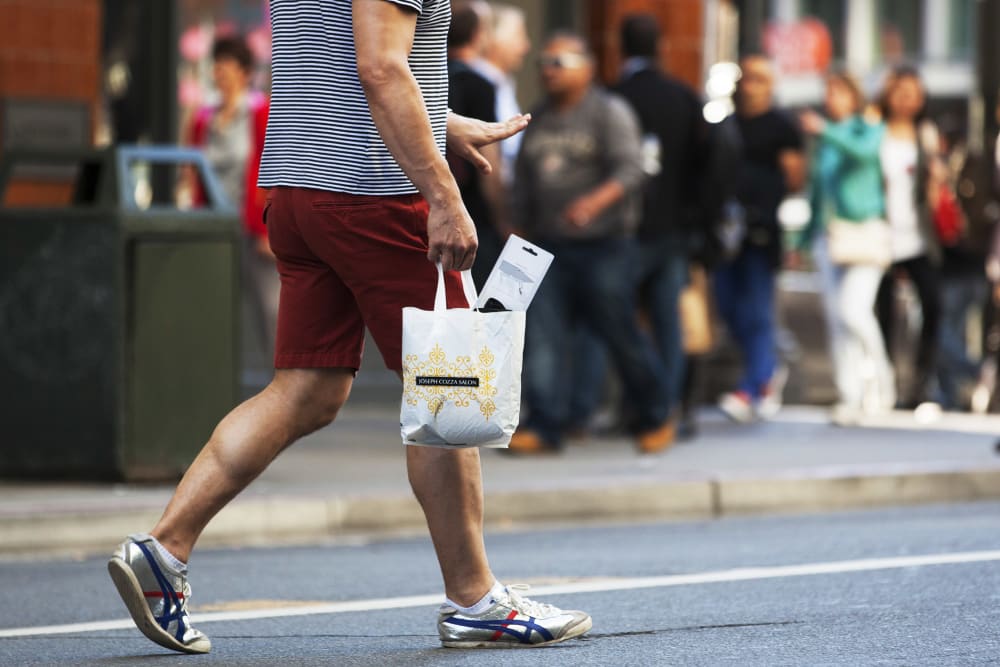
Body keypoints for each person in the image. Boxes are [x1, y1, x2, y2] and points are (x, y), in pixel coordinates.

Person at [107, 0, 591, 654]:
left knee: (306, 386)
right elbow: (380, 68)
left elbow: (336, 71)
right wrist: (445, 196)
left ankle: (163, 551)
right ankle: (475, 596)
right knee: (448, 388)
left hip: (298, 188)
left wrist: (442, 123)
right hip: (376, 194)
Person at [507, 32, 674, 455]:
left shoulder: (608, 111)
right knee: (542, 336)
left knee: (619, 331)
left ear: (587, 67)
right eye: (544, 61)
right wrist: (517, 226)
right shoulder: (540, 116)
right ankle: (546, 426)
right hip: (546, 245)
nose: (548, 70)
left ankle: (656, 412)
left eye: (559, 61)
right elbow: (524, 178)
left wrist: (593, 203)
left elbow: (632, 169)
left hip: (605, 245)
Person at [563, 14, 710, 440]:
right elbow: (711, 162)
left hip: (616, 231)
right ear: (661, 47)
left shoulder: (608, 99)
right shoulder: (684, 97)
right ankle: (666, 409)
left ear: (620, 49)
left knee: (601, 319)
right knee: (667, 322)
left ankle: (583, 411)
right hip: (672, 229)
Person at [797, 71, 895, 423]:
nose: (831, 100)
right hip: (830, 235)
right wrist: (806, 236)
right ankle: (849, 395)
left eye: (838, 93)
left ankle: (882, 383)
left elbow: (864, 155)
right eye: (828, 93)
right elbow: (817, 190)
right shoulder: (824, 140)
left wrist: (826, 131)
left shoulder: (866, 129)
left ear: (853, 97)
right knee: (837, 318)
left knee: (855, 310)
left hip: (864, 232)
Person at [713, 55, 805, 422]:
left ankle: (754, 383)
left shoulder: (782, 126)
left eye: (757, 79)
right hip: (726, 231)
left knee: (756, 309)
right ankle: (765, 369)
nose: (748, 85)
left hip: (762, 230)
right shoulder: (727, 124)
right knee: (728, 307)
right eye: (745, 78)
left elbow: (796, 177)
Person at [188, 36, 275, 385]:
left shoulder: (260, 112)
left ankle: (282, 389)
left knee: (270, 312)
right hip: (214, 230)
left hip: (254, 231)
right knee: (213, 312)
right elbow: (194, 174)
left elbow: (272, 171)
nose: (218, 72)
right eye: (216, 65)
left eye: (225, 65)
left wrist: (270, 229)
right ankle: (211, 384)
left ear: (244, 72)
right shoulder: (203, 119)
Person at [873, 66, 942, 409]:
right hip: (880, 234)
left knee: (932, 302)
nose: (907, 101)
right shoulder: (876, 130)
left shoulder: (924, 134)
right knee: (883, 311)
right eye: (901, 92)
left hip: (917, 235)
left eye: (914, 94)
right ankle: (885, 382)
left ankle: (919, 380)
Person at [447, 1, 505, 289]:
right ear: (478, 35)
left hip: (426, 209)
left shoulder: (426, 80)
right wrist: (501, 217)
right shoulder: (481, 85)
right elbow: (489, 156)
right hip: (474, 216)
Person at [471, 3, 531, 185]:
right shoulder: (477, 85)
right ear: (494, 38)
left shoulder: (503, 83)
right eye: (518, 36)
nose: (525, 46)